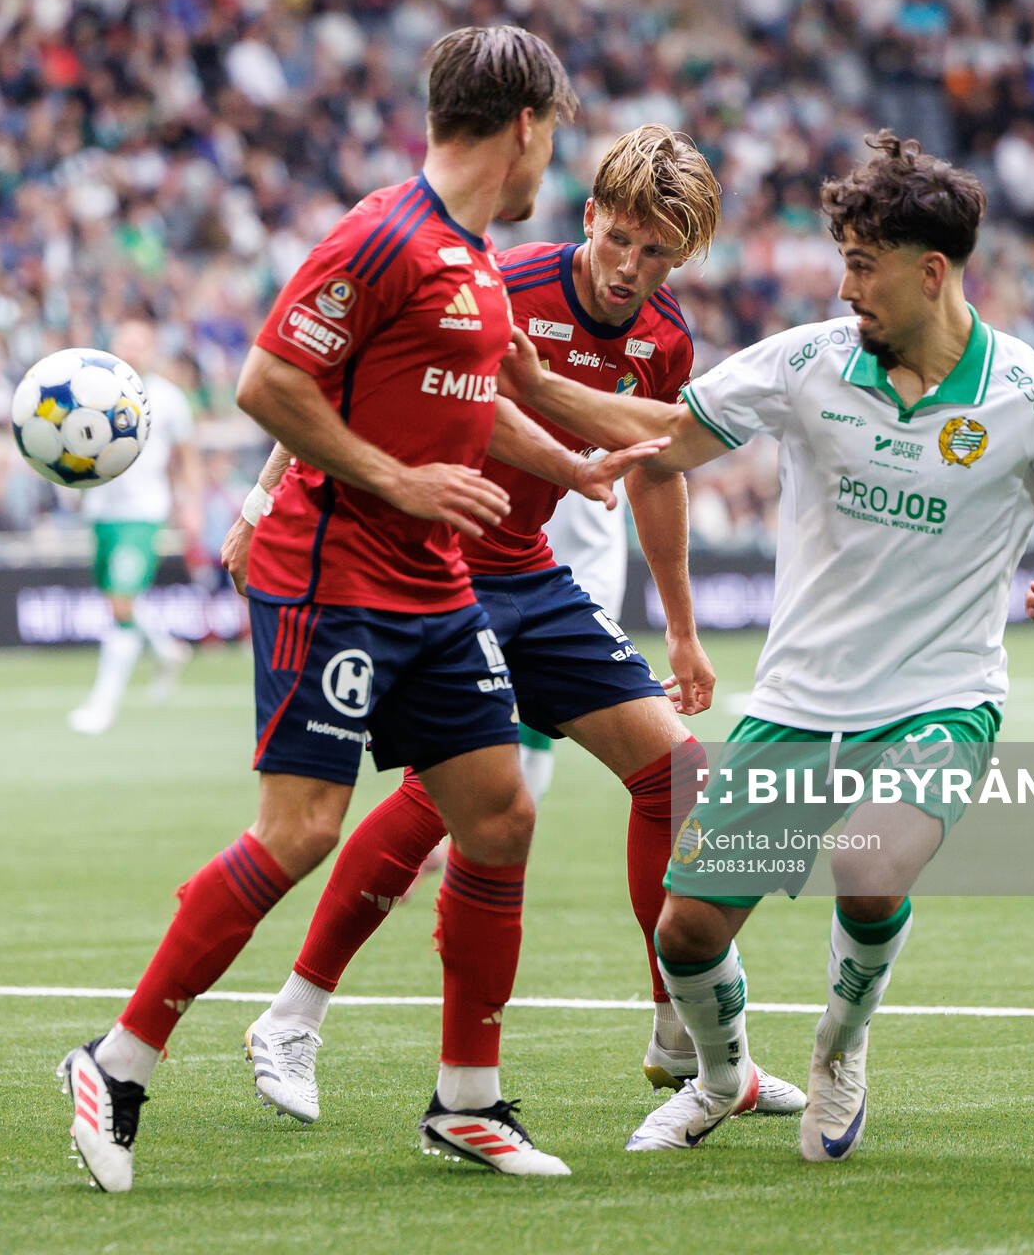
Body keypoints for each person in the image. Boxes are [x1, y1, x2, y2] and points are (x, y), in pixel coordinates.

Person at [58, 25, 663, 1190]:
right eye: (556, 134)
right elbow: (266, 382)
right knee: (300, 832)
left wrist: (573, 464)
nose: (554, 163)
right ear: (526, 124)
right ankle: (116, 1061)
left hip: (432, 580)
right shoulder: (383, 237)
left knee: (498, 814)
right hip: (331, 573)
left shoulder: (473, 252)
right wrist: (399, 479)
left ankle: (467, 1101)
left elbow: (476, 400)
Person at [502, 131, 1034, 1159]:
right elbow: (667, 437)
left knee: (868, 860)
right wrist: (541, 388)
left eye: (861, 265)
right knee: (687, 933)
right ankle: (719, 1078)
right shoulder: (806, 362)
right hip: (799, 700)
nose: (844, 286)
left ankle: (841, 1042)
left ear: (930, 273)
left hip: (941, 697)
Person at [227, 125, 804, 1126]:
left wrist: (682, 629)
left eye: (656, 250)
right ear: (590, 217)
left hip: (531, 574)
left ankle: (677, 1033)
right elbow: (346, 370)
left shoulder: (665, 339)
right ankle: (293, 1014)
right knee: (443, 803)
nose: (630, 265)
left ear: (683, 255)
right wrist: (259, 500)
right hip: (428, 566)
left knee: (676, 774)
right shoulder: (504, 277)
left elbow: (659, 470)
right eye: (620, 236)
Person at [67, 322, 203, 735]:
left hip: (144, 512)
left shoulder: (167, 398)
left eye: (139, 343)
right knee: (116, 601)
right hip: (101, 510)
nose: (132, 349)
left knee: (122, 605)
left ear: (152, 349)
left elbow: (187, 457)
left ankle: (102, 706)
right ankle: (166, 648)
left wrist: (191, 505)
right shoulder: (88, 392)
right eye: (125, 341)